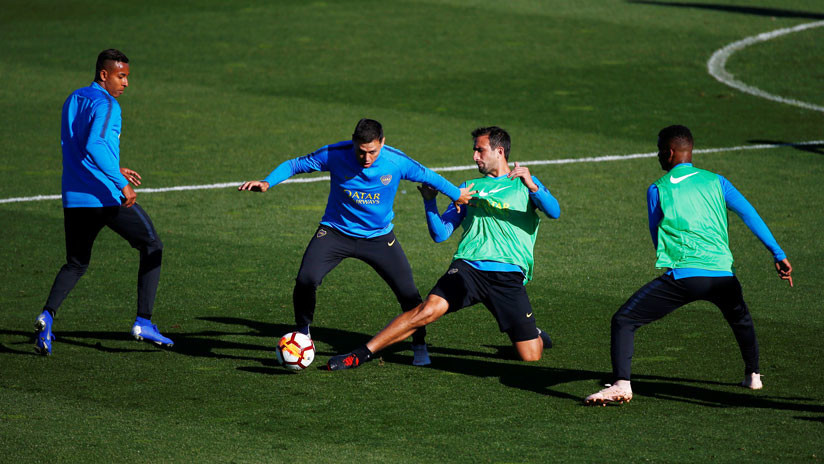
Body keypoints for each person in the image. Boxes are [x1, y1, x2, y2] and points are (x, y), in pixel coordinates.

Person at [584, 125, 793, 405]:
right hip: (722, 275)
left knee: (624, 320)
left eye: (660, 150)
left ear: (670, 153)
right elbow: (749, 214)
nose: (658, 156)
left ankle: (622, 384)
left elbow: (656, 235)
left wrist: (673, 262)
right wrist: (778, 254)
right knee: (740, 318)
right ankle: (753, 375)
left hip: (684, 277)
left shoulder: (657, 188)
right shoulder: (718, 181)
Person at [239, 119, 473, 366]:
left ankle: (418, 344)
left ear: (382, 143)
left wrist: (457, 194)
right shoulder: (335, 154)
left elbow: (427, 175)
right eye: (361, 151)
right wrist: (267, 182)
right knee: (305, 279)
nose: (366, 158)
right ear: (353, 142)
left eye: (372, 151)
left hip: (379, 238)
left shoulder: (396, 161)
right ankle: (303, 332)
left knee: (409, 295)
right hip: (335, 233)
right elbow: (296, 164)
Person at [326, 126, 560, 370]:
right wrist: (429, 202)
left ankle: (534, 333)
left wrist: (533, 186)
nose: (474, 156)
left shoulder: (525, 185)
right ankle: (360, 354)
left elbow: (554, 211)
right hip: (469, 268)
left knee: (531, 356)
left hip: (508, 275)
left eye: (480, 150)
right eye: (474, 151)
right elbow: (440, 234)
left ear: (499, 151)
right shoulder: (468, 187)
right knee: (427, 311)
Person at [34, 49, 173, 355]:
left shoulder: (74, 99)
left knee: (76, 263)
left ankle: (47, 315)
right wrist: (120, 182)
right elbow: (95, 143)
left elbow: (78, 147)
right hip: (104, 197)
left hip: (74, 197)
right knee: (152, 245)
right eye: (121, 76)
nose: (126, 84)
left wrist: (115, 165)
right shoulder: (107, 104)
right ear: (104, 75)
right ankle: (143, 321)